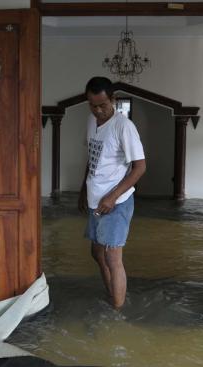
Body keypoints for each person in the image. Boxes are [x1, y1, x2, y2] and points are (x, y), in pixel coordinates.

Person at [78, 77, 146, 309]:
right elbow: (93, 158)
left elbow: (140, 167)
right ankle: (112, 295)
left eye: (103, 105)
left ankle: (117, 313)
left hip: (116, 202)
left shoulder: (123, 126)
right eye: (92, 105)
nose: (98, 110)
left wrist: (112, 197)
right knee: (96, 252)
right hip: (95, 199)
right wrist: (82, 191)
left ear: (113, 101)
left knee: (112, 258)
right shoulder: (91, 121)